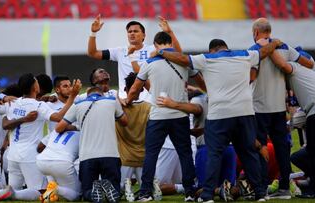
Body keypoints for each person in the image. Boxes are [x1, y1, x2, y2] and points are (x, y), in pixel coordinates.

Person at [157, 38, 283, 202]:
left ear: (212, 50)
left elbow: (182, 59)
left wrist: (161, 52)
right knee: (249, 154)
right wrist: (275, 43)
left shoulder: (207, 59)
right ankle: (260, 193)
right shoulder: (245, 55)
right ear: (226, 47)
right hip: (245, 113)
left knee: (214, 154)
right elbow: (263, 52)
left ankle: (208, 195)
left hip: (220, 115)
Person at [0, 73, 81, 202]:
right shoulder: (38, 106)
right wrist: (73, 96)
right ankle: (8, 193)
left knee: (13, 190)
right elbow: (58, 117)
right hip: (29, 155)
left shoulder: (12, 102)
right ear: (35, 88)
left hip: (12, 155)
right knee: (41, 191)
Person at [125, 31, 199, 202]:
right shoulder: (183, 61)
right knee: (185, 154)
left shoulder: (149, 63)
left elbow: (135, 88)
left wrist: (128, 101)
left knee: (151, 154)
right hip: (180, 115)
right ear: (171, 43)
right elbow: (199, 81)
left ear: (156, 45)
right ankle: (190, 192)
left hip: (158, 116)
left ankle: (145, 193)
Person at [249, 18, 314, 200]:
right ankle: (285, 188)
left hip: (259, 107)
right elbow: (309, 64)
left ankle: (261, 190)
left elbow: (251, 77)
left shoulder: (253, 50)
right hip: (279, 107)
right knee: (282, 148)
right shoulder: (285, 47)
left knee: (260, 147)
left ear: (255, 33)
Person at [56, 86, 128, 203]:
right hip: (110, 154)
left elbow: (59, 128)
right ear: (102, 94)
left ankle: (93, 193)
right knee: (115, 190)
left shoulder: (78, 104)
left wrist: (77, 126)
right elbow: (125, 122)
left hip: (87, 156)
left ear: (87, 95)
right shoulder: (111, 101)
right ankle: (110, 191)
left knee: (86, 192)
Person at [87, 14, 182, 101]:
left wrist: (169, 32)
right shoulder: (119, 51)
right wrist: (93, 33)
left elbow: (177, 53)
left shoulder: (153, 49)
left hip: (148, 100)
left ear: (144, 35)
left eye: (136, 31)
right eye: (129, 31)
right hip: (126, 101)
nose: (132, 33)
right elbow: (92, 53)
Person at [265, 49, 315, 198]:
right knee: (306, 155)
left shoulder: (294, 68)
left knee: (312, 154)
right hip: (311, 110)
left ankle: (313, 189)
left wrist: (269, 48)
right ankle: (311, 183)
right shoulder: (309, 72)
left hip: (314, 111)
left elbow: (282, 63)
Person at [115, 72, 151, 202]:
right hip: (143, 157)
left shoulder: (117, 106)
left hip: (125, 160)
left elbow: (110, 96)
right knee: (147, 190)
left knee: (116, 191)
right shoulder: (148, 107)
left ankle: (127, 189)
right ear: (142, 89)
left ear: (125, 89)